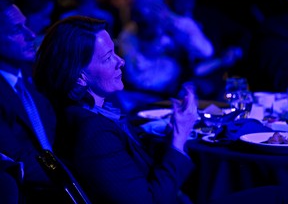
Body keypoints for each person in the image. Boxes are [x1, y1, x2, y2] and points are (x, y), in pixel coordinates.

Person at [33, 15, 198, 204]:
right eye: (107, 58)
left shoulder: (89, 112)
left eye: (115, 52)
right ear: (80, 77)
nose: (121, 61)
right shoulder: (94, 134)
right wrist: (179, 136)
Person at [0, 0, 65, 203]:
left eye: (26, 25)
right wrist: (76, 176)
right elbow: (19, 161)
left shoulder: (32, 75)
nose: (31, 35)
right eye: (17, 30)